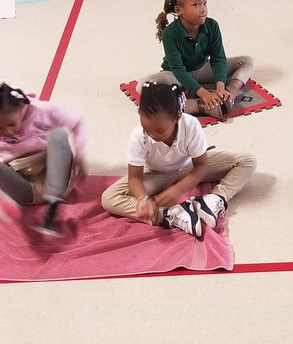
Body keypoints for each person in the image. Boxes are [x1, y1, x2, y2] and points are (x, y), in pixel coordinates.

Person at [101, 81, 256, 235]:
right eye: (146, 129)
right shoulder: (138, 135)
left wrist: (178, 189)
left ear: (177, 116)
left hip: (189, 167)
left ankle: (214, 199)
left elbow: (201, 166)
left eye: (159, 130)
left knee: (247, 160)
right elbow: (135, 177)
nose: (152, 135)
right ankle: (169, 214)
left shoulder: (190, 125)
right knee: (109, 198)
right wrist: (142, 200)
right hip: (156, 174)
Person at [138, 0, 254, 119]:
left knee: (248, 61)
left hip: (201, 69)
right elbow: (178, 70)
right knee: (143, 86)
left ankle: (230, 92)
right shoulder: (169, 33)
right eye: (196, 5)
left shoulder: (212, 26)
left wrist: (220, 88)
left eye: (205, 3)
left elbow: (218, 58)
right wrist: (204, 94)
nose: (203, 9)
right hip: (176, 76)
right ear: (179, 10)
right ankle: (197, 105)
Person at [0, 81, 86, 238]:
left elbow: (77, 121)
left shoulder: (41, 110)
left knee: (58, 134)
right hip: (25, 186)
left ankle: (52, 211)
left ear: (21, 107)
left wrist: (80, 156)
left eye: (12, 124)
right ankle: (14, 203)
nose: (8, 131)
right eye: (0, 128)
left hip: (54, 181)